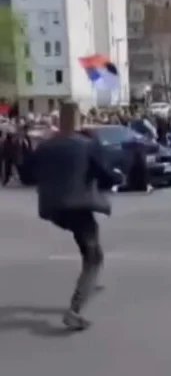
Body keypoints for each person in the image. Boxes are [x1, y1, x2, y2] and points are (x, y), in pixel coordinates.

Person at [32, 102, 124, 330]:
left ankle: (90, 284)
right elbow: (106, 175)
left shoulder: (45, 146)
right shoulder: (87, 145)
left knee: (88, 246)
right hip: (77, 206)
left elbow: (25, 174)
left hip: (53, 209)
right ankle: (75, 309)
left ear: (58, 120)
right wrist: (118, 177)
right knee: (93, 256)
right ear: (78, 120)